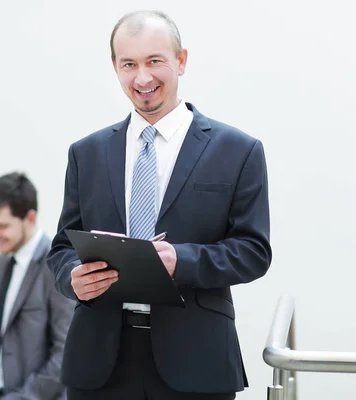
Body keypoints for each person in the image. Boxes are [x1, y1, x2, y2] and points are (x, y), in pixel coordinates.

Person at [47, 10, 272, 400]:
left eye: (155, 61)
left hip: (196, 360)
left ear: (181, 61)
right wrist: (72, 278)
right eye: (129, 64)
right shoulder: (87, 153)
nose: (143, 78)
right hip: (98, 362)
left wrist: (179, 261)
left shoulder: (238, 150)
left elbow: (253, 252)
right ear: (115, 68)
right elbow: (62, 247)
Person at [0, 172, 74, 400]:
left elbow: (65, 354)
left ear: (30, 218)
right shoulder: (1, 264)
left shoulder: (57, 266)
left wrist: (20, 397)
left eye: (1, 226)